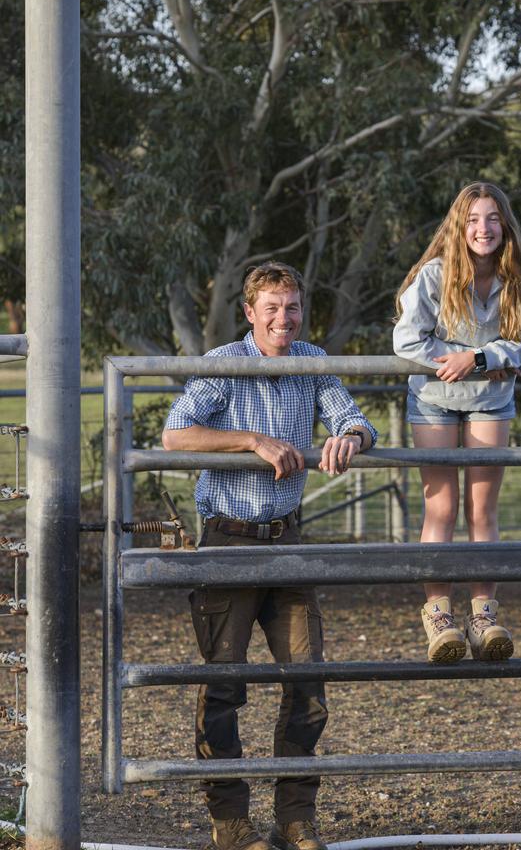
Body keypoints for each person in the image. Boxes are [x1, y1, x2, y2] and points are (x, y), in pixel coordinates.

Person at [162, 262, 377, 850]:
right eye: (273, 308)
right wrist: (252, 440)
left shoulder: (311, 361)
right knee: (225, 684)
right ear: (251, 313)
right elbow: (176, 434)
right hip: (228, 540)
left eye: (293, 307)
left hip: (288, 541)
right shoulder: (224, 366)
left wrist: (348, 439)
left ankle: (295, 819)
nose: (285, 319)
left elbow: (358, 421)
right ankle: (230, 822)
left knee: (308, 681)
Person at [393, 182, 521, 664]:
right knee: (440, 506)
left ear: (505, 225)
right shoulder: (433, 275)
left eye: (492, 219)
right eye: (473, 220)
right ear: (459, 228)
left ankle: (484, 616)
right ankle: (439, 617)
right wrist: (454, 360)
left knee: (483, 509)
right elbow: (406, 341)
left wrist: (481, 358)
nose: (483, 229)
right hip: (434, 398)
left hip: (490, 398)